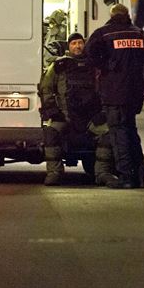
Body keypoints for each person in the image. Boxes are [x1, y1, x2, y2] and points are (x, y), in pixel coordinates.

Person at [85, 4, 144, 189]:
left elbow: (89, 54)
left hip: (114, 92)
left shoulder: (104, 33)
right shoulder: (138, 34)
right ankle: (140, 176)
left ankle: (126, 177)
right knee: (132, 133)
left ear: (111, 15)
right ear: (127, 15)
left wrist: (107, 64)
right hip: (134, 92)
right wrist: (134, 60)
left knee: (119, 135)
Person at [38, 32, 115, 186]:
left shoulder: (94, 66)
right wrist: (52, 110)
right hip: (65, 117)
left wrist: (103, 112)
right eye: (74, 43)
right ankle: (54, 173)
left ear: (84, 45)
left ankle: (102, 173)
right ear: (69, 46)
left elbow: (107, 88)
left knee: (107, 133)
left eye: (80, 43)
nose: (77, 46)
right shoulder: (59, 66)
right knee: (50, 132)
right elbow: (45, 88)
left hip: (91, 118)